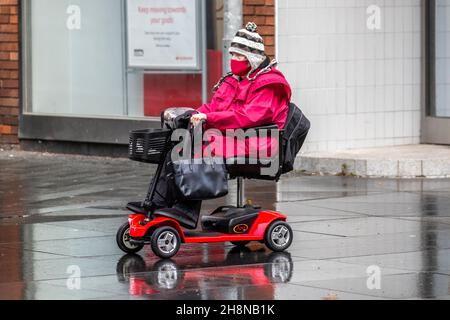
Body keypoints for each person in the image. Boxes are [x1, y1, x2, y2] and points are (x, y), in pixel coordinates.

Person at [144, 22, 292, 229]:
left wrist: (209, 119)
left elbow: (249, 117)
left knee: (203, 148)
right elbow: (214, 106)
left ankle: (186, 210)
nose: (234, 60)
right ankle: (159, 203)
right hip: (235, 136)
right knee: (179, 144)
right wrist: (193, 114)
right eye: (232, 54)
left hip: (260, 140)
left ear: (253, 58)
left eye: (240, 56)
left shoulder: (269, 84)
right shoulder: (235, 80)